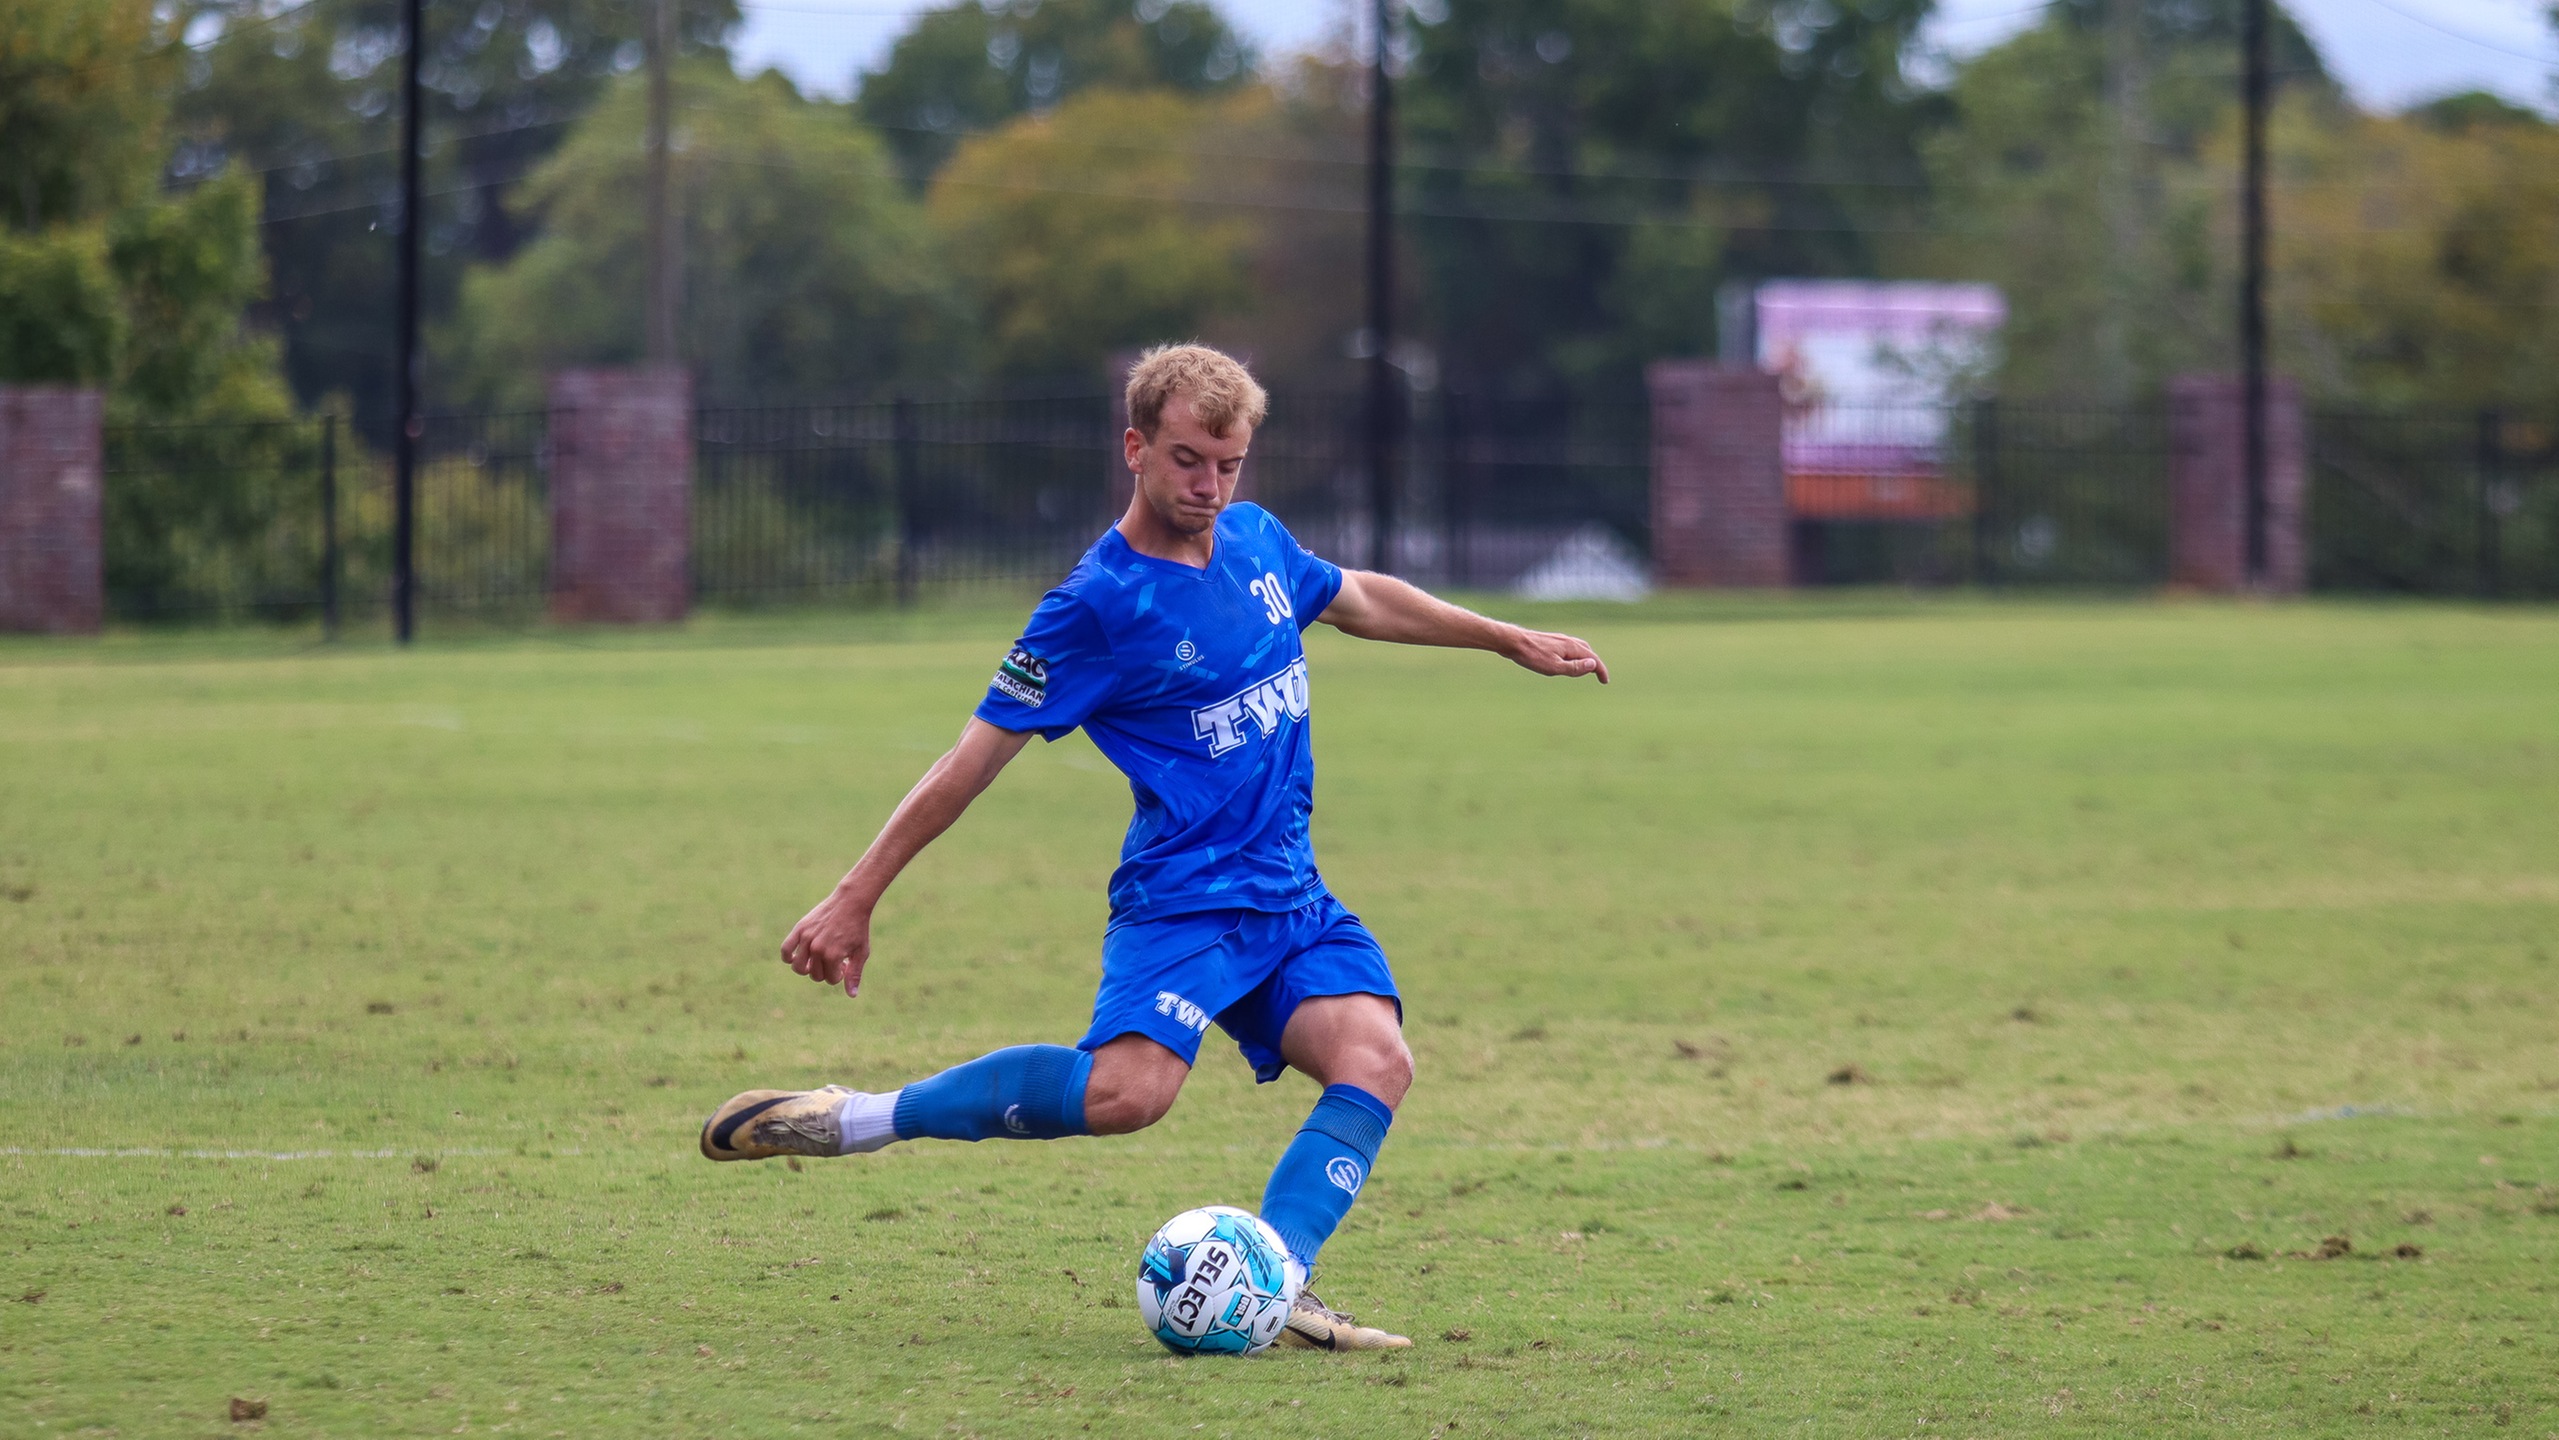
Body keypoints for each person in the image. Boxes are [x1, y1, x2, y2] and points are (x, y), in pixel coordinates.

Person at [701, 344, 1608, 1350]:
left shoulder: (1255, 540)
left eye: (1228, 463)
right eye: (1187, 460)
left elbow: (1354, 595)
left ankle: (1276, 1279)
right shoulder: (1094, 605)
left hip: (1291, 897)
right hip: (1182, 900)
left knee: (1377, 1058)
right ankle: (856, 1117)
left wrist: (1502, 637)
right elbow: (971, 759)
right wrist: (854, 895)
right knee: (1129, 1095)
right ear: (1135, 447)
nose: (1209, 486)